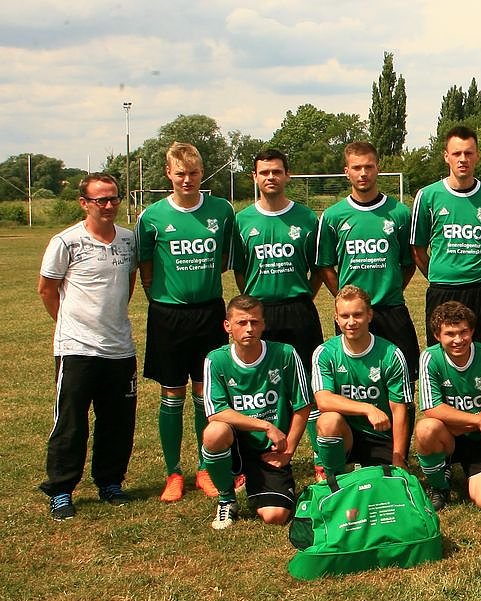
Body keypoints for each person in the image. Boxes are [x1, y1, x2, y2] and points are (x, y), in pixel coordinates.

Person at [135, 142, 237, 502]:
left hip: (208, 313)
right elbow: (146, 265)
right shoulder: (152, 216)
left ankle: (205, 469)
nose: (187, 179)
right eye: (180, 173)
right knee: (171, 393)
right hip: (168, 315)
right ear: (169, 174)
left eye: (193, 173)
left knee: (204, 394)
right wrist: (160, 298)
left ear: (201, 173)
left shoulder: (221, 210)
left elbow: (224, 258)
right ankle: (173, 472)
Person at [37, 173, 138, 520]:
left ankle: (110, 483)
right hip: (77, 348)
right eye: (100, 200)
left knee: (117, 422)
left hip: (120, 347)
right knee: (71, 422)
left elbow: (127, 285)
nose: (109, 205)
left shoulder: (128, 240)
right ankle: (61, 490)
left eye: (114, 198)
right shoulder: (66, 242)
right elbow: (47, 290)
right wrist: (71, 327)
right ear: (84, 203)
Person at [233, 149, 325, 478]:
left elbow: (318, 268)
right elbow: (241, 271)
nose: (270, 177)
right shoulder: (242, 220)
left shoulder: (306, 218)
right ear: (254, 177)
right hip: (259, 313)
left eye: (276, 171)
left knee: (311, 385)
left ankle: (320, 458)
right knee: (257, 387)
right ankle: (253, 459)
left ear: (287, 175)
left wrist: (301, 295)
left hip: (298, 308)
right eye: (264, 172)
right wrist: (255, 304)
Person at [200, 295, 311, 530]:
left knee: (275, 516)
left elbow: (303, 406)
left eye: (255, 322)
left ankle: (261, 485)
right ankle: (227, 499)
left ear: (263, 324)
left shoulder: (285, 354)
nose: (249, 328)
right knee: (214, 433)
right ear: (227, 326)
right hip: (236, 445)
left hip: (269, 451)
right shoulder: (216, 360)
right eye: (241, 322)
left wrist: (288, 450)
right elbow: (215, 413)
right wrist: (266, 426)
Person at [316, 141, 419, 379]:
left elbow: (408, 263)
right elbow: (325, 265)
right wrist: (345, 297)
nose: (363, 173)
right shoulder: (333, 216)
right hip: (352, 314)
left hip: (391, 309)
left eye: (369, 167)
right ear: (347, 171)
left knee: (402, 377)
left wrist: (391, 288)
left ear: (378, 168)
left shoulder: (400, 213)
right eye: (356, 167)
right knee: (354, 378)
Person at [411, 125, 481, 348]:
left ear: (477, 156)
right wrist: (438, 273)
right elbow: (417, 249)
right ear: (446, 156)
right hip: (443, 289)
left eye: (468, 153)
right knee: (443, 354)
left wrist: (480, 272)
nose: (463, 159)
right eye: (456, 153)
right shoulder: (427, 196)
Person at [413, 301, 481, 511]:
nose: (458, 340)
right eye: (450, 334)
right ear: (437, 336)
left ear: (472, 331)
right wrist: (478, 421)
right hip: (448, 436)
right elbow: (432, 408)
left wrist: (470, 426)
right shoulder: (430, 357)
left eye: (463, 332)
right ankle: (439, 485)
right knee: (426, 428)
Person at [310, 285, 413, 476]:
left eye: (357, 315)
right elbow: (323, 401)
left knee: (380, 487)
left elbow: (399, 410)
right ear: (336, 318)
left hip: (379, 434)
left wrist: (398, 458)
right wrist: (368, 408)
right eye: (345, 316)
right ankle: (333, 479)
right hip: (345, 433)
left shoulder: (391, 354)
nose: (351, 322)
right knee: (329, 421)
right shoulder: (325, 353)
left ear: (369, 315)